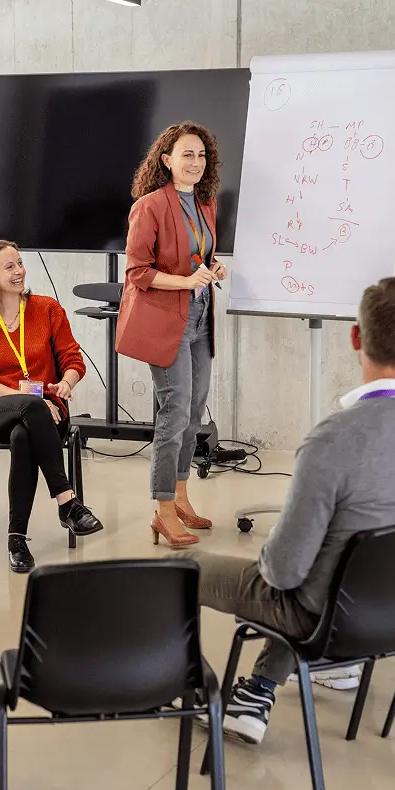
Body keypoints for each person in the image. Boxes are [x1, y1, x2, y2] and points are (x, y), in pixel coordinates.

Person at [183, 278, 395, 742]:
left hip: (328, 619)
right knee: (333, 560)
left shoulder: (332, 442)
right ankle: (269, 688)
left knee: (181, 566)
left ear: (355, 338)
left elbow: (282, 574)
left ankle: (201, 693)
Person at [0, 241, 103, 572]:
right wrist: (27, 399)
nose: (20, 270)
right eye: (9, 267)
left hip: (45, 411)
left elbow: (71, 358)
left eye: (20, 263)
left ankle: (16, 540)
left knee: (24, 436)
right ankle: (67, 503)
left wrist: (66, 383)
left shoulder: (47, 309)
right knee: (32, 409)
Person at [117, 122, 229, 549]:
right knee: (174, 412)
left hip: (201, 317)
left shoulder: (205, 203)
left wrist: (213, 267)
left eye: (201, 155)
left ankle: (181, 497)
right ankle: (162, 510)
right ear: (166, 160)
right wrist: (186, 283)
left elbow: (200, 254)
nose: (195, 162)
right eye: (187, 154)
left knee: (195, 412)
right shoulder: (149, 206)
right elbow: (138, 272)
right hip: (168, 321)